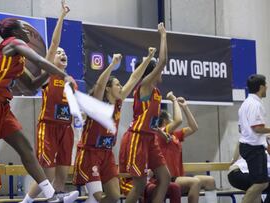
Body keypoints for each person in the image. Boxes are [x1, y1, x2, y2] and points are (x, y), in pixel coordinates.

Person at [0, 17, 76, 203]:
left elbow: (31, 85)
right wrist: (64, 75)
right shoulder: (13, 43)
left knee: (26, 149)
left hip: (2, 106)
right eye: (24, 29)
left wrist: (52, 72)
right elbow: (38, 61)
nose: (28, 32)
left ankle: (51, 196)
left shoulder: (16, 58)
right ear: (15, 33)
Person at [72, 47, 156, 203]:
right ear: (108, 88)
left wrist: (148, 59)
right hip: (90, 153)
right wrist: (111, 66)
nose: (121, 87)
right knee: (97, 197)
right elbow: (99, 85)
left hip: (107, 154)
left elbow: (134, 77)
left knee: (114, 197)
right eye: (117, 84)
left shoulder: (118, 102)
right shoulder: (97, 103)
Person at [26, 1, 79, 202]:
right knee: (46, 178)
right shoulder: (47, 74)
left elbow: (74, 109)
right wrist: (62, 16)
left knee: (62, 177)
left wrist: (78, 124)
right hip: (48, 127)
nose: (62, 54)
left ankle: (57, 198)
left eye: (64, 53)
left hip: (66, 129)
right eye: (58, 53)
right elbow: (54, 43)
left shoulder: (71, 81)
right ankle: (26, 201)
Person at [119, 22, 169, 203]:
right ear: (152, 71)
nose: (162, 71)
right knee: (139, 184)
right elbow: (162, 61)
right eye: (158, 69)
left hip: (150, 138)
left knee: (165, 177)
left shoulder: (156, 92)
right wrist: (163, 35)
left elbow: (151, 121)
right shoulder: (145, 86)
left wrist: (160, 131)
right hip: (137, 138)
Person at [155, 94, 215, 203]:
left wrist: (185, 107)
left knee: (210, 181)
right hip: (167, 178)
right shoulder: (161, 133)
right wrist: (174, 100)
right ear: (164, 121)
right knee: (195, 182)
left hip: (179, 177)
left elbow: (194, 127)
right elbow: (178, 120)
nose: (172, 120)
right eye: (170, 118)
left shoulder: (175, 135)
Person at [238, 74, 269, 203]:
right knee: (261, 183)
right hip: (253, 148)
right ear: (261, 87)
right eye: (266, 85)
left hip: (249, 146)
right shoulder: (255, 105)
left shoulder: (245, 104)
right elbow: (257, 128)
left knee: (257, 184)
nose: (267, 88)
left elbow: (241, 128)